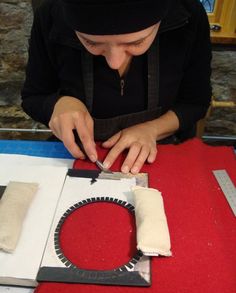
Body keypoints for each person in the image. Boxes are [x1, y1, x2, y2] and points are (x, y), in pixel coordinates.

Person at [21, 0, 212, 174]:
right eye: (91, 42)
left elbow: (195, 103)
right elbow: (33, 97)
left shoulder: (189, 15)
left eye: (136, 42)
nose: (114, 62)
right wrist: (58, 104)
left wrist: (152, 130)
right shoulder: (49, 17)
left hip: (165, 153)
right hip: (72, 158)